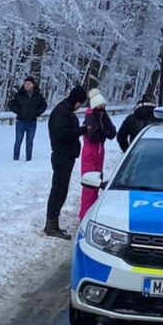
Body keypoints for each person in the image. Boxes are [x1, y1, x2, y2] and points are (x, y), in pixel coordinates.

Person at [45, 85, 88, 239]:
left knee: (61, 190)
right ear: (77, 101)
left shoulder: (65, 111)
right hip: (61, 156)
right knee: (58, 190)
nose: (80, 107)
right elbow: (63, 134)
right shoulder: (62, 112)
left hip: (66, 156)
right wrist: (82, 130)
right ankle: (51, 225)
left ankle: (53, 224)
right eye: (81, 103)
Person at [79, 89, 117, 220]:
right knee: (89, 186)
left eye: (103, 106)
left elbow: (112, 132)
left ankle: (91, 213)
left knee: (96, 186)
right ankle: (84, 215)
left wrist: (104, 130)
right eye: (99, 106)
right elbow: (93, 136)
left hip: (99, 154)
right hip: (90, 154)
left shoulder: (102, 116)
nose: (102, 108)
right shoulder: (90, 117)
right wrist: (103, 132)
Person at [7, 76, 47, 161]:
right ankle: (15, 158)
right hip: (20, 121)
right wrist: (18, 111)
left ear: (33, 85)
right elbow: (11, 104)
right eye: (25, 84)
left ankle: (29, 159)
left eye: (29, 84)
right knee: (18, 141)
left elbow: (44, 105)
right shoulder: (19, 94)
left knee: (29, 142)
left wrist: (37, 113)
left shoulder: (38, 95)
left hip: (32, 122)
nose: (27, 85)